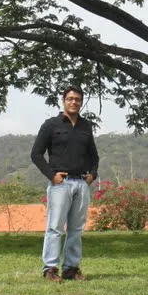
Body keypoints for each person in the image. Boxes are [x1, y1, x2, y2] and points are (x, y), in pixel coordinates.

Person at [30, 86, 99, 281]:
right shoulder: (51, 125)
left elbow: (94, 155)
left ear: (81, 102)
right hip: (61, 184)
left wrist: (92, 175)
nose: (74, 102)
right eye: (70, 99)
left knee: (76, 229)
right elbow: (36, 154)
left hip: (81, 184)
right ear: (63, 101)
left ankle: (71, 268)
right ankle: (50, 269)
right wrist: (52, 176)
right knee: (55, 228)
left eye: (77, 99)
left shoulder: (86, 126)